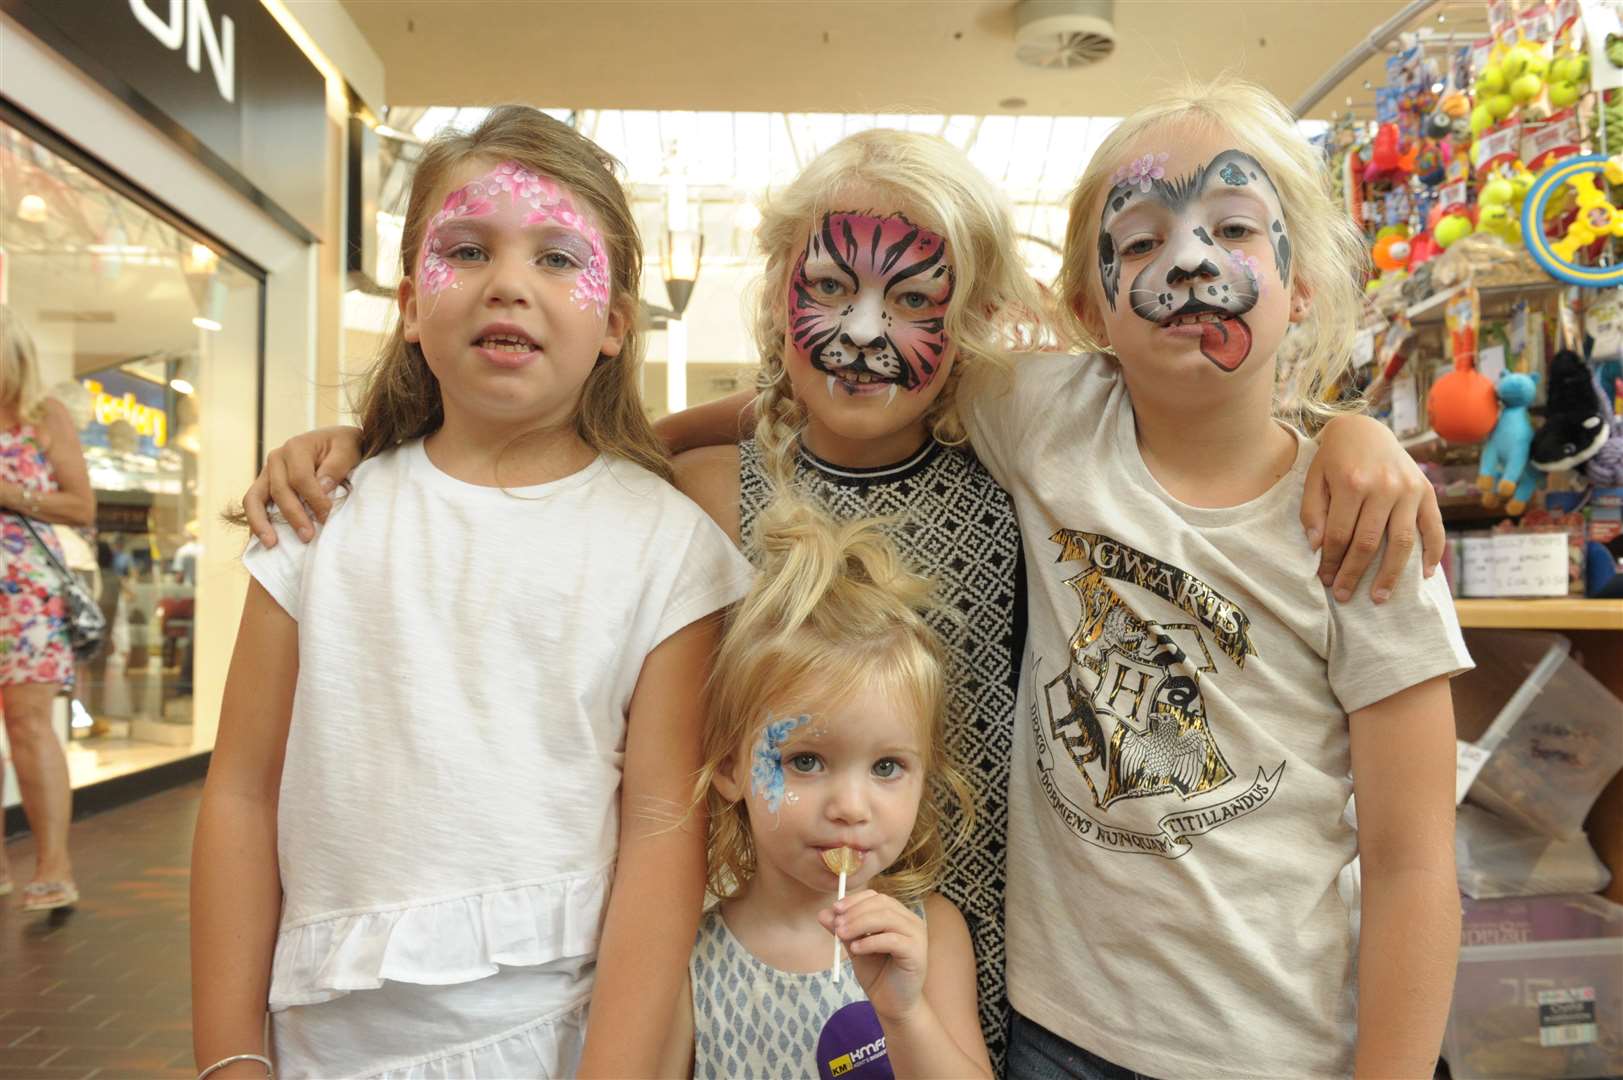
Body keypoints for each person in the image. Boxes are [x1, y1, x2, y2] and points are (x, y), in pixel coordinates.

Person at [235, 127, 1446, 1073]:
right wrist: (356, 444)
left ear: (970, 324)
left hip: (974, 978)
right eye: (833, 289)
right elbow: (550, 469)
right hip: (746, 957)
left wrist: (1342, 430)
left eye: (918, 302)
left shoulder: (1015, 465)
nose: (867, 333)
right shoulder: (704, 494)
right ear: (777, 299)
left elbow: (1178, 410)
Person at [189, 106, 753, 1080]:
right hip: (321, 1046)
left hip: (562, 1036)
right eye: (467, 248)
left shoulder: (666, 548)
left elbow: (665, 827)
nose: (507, 284)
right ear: (410, 305)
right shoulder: (320, 522)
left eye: (558, 259)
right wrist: (228, 1056)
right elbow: (241, 790)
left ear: (617, 322)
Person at [963, 80, 1470, 1079]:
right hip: (1061, 1034)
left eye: (1234, 226)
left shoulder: (1365, 528)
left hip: (1281, 1050)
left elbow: (1414, 863)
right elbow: (852, 403)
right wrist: (656, 444)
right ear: (1086, 307)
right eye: (1142, 241)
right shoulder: (1042, 417)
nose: (1190, 262)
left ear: (1306, 282)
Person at [666, 495, 990, 1079]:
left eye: (887, 767)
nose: (849, 808)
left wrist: (907, 1014)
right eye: (806, 761)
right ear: (731, 768)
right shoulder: (690, 958)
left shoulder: (931, 933)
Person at [0, 304, 96, 913]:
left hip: (24, 595)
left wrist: (10, 493)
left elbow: (81, 505)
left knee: (30, 727)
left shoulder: (42, 417)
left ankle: (53, 868)